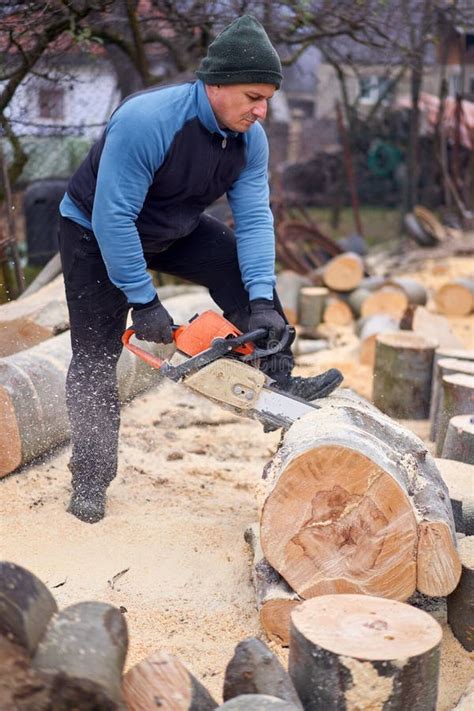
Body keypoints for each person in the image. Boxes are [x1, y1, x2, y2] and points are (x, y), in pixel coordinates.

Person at [58, 15, 343, 524]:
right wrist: (144, 302)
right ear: (215, 85)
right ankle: (90, 478)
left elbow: (255, 218)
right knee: (95, 357)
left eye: (267, 99)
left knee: (241, 268)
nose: (262, 110)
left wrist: (260, 299)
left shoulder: (248, 139)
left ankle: (280, 387)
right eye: (253, 96)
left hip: (175, 226)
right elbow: (112, 217)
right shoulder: (148, 121)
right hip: (95, 234)